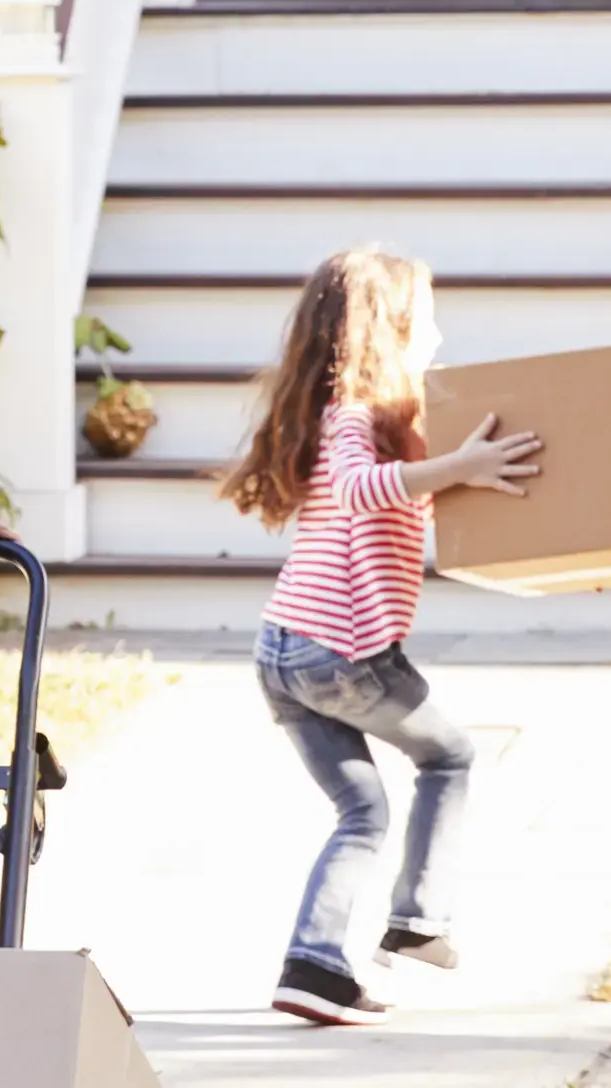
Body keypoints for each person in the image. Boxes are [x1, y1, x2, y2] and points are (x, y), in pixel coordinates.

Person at [217, 248, 539, 1028]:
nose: (436, 331)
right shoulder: (353, 416)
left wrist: (456, 471)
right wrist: (463, 463)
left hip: (284, 654)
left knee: (361, 815)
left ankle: (314, 967)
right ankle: (418, 921)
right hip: (341, 651)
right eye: (425, 315)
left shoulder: (354, 421)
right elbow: (364, 492)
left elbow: (398, 502)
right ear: (391, 326)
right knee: (449, 755)